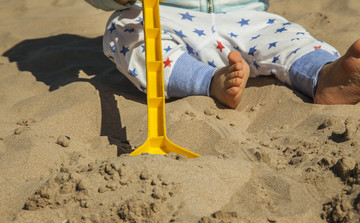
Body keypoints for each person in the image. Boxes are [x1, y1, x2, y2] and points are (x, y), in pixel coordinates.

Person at [85, 0, 360, 108]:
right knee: (124, 30)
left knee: (289, 39)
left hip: (246, 16)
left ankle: (324, 76)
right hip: (165, 16)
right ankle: (209, 81)